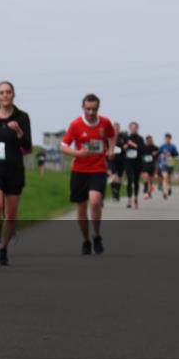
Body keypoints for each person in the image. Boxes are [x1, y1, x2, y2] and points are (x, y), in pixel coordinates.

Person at [59, 94, 116, 255]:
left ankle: (96, 235)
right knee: (81, 208)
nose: (91, 112)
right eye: (88, 109)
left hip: (98, 169)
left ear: (98, 108)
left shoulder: (105, 122)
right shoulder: (76, 124)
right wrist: (77, 153)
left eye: (94, 109)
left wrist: (111, 149)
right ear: (83, 108)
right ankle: (86, 239)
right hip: (79, 171)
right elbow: (63, 146)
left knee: (95, 200)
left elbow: (112, 135)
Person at [0, 80, 31, 266]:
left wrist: (18, 131)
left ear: (13, 94)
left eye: (8, 92)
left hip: (14, 170)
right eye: (1, 92)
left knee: (10, 215)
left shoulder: (22, 117)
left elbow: (27, 147)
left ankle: (3, 247)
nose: (5, 95)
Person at [122, 122, 145, 209]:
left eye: (135, 128)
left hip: (137, 162)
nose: (133, 129)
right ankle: (129, 199)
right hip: (128, 161)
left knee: (135, 181)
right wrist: (126, 145)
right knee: (129, 179)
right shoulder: (126, 138)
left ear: (137, 128)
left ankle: (135, 197)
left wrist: (134, 145)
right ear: (129, 128)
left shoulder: (140, 138)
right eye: (132, 127)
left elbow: (142, 150)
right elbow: (122, 149)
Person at [107, 122, 126, 202]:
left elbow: (126, 146)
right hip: (112, 160)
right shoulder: (109, 137)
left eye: (117, 128)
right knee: (113, 176)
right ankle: (114, 193)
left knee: (119, 178)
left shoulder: (123, 137)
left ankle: (117, 192)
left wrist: (124, 147)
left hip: (121, 160)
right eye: (114, 128)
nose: (116, 130)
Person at [158, 133, 179, 200]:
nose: (167, 139)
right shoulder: (162, 146)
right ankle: (165, 192)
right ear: (165, 138)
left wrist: (171, 153)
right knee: (165, 177)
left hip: (170, 163)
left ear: (170, 139)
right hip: (163, 163)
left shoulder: (173, 146)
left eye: (169, 138)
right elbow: (158, 153)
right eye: (166, 138)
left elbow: (177, 154)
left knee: (169, 178)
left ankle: (169, 187)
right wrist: (161, 155)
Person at [142, 135, 160, 199]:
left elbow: (159, 153)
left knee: (151, 180)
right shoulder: (144, 147)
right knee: (146, 178)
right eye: (148, 140)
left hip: (152, 165)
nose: (149, 141)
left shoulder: (155, 147)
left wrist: (156, 153)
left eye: (150, 140)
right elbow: (141, 155)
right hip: (145, 165)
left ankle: (149, 193)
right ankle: (146, 190)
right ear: (146, 141)